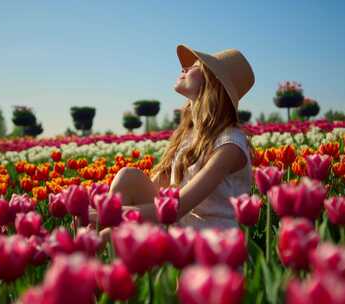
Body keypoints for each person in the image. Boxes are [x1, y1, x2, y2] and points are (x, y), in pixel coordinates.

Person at [93, 43, 256, 233]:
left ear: (213, 83)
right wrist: (104, 212)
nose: (183, 69)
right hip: (179, 227)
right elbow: (158, 191)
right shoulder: (190, 136)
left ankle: (99, 246)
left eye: (194, 66)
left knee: (107, 233)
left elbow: (177, 207)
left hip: (210, 241)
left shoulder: (230, 144)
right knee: (129, 178)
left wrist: (107, 215)